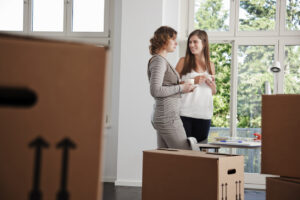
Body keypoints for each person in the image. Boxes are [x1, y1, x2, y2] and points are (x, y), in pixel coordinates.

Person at [147, 26, 196, 150]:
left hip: (165, 116)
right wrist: (180, 88)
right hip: (167, 117)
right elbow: (155, 90)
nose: (176, 43)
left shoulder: (161, 60)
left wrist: (183, 87)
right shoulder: (159, 61)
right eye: (173, 39)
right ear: (164, 41)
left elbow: (166, 87)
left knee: (166, 160)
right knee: (185, 155)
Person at [176, 29, 217, 143]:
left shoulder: (211, 65)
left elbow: (212, 91)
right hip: (185, 113)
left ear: (204, 43)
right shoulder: (183, 61)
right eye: (190, 42)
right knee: (185, 151)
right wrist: (193, 80)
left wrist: (212, 86)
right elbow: (172, 85)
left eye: (195, 42)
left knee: (201, 152)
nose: (191, 45)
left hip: (204, 114)